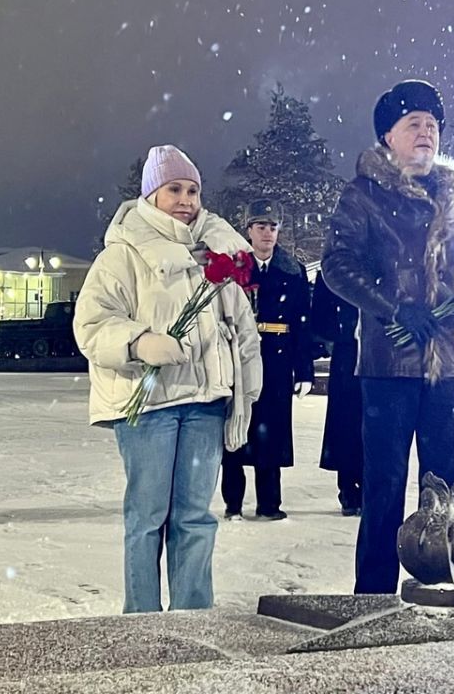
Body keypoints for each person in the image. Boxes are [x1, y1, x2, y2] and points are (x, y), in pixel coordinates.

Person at [321, 79, 454, 594]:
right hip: (389, 364)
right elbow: (336, 265)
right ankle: (372, 595)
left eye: (432, 125)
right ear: (389, 138)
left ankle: (444, 584)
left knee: (448, 486)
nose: (426, 133)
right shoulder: (364, 195)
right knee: (385, 487)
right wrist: (394, 307)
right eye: (413, 124)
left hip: (449, 363)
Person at [74, 145, 262, 613]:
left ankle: (193, 616)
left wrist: (248, 388)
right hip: (149, 403)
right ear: (151, 195)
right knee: (148, 516)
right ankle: (141, 617)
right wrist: (139, 343)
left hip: (205, 404)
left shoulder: (216, 256)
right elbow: (92, 324)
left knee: (195, 517)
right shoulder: (122, 255)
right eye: (174, 189)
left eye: (193, 190)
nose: (185, 199)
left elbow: (242, 330)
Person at [221, 200, 314, 521]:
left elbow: (304, 323)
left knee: (272, 431)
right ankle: (233, 502)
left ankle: (269, 504)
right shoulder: (232, 267)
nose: (267, 234)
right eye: (261, 227)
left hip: (277, 358)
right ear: (248, 230)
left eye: (273, 227)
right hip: (240, 356)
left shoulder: (292, 270)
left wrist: (304, 369)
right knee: (236, 425)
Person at [310, 272, 363, 516]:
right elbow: (319, 318)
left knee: (374, 423)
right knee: (345, 420)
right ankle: (348, 487)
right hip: (346, 352)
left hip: (376, 353)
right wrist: (339, 336)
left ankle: (368, 485)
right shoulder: (332, 272)